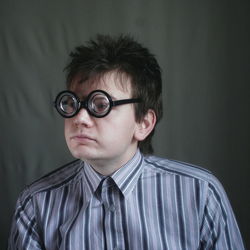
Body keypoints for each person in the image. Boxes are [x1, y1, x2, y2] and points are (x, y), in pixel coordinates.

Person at [8, 34, 245, 250]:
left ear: (143, 123)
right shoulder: (36, 204)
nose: (79, 118)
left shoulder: (200, 194)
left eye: (100, 105)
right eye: (71, 103)